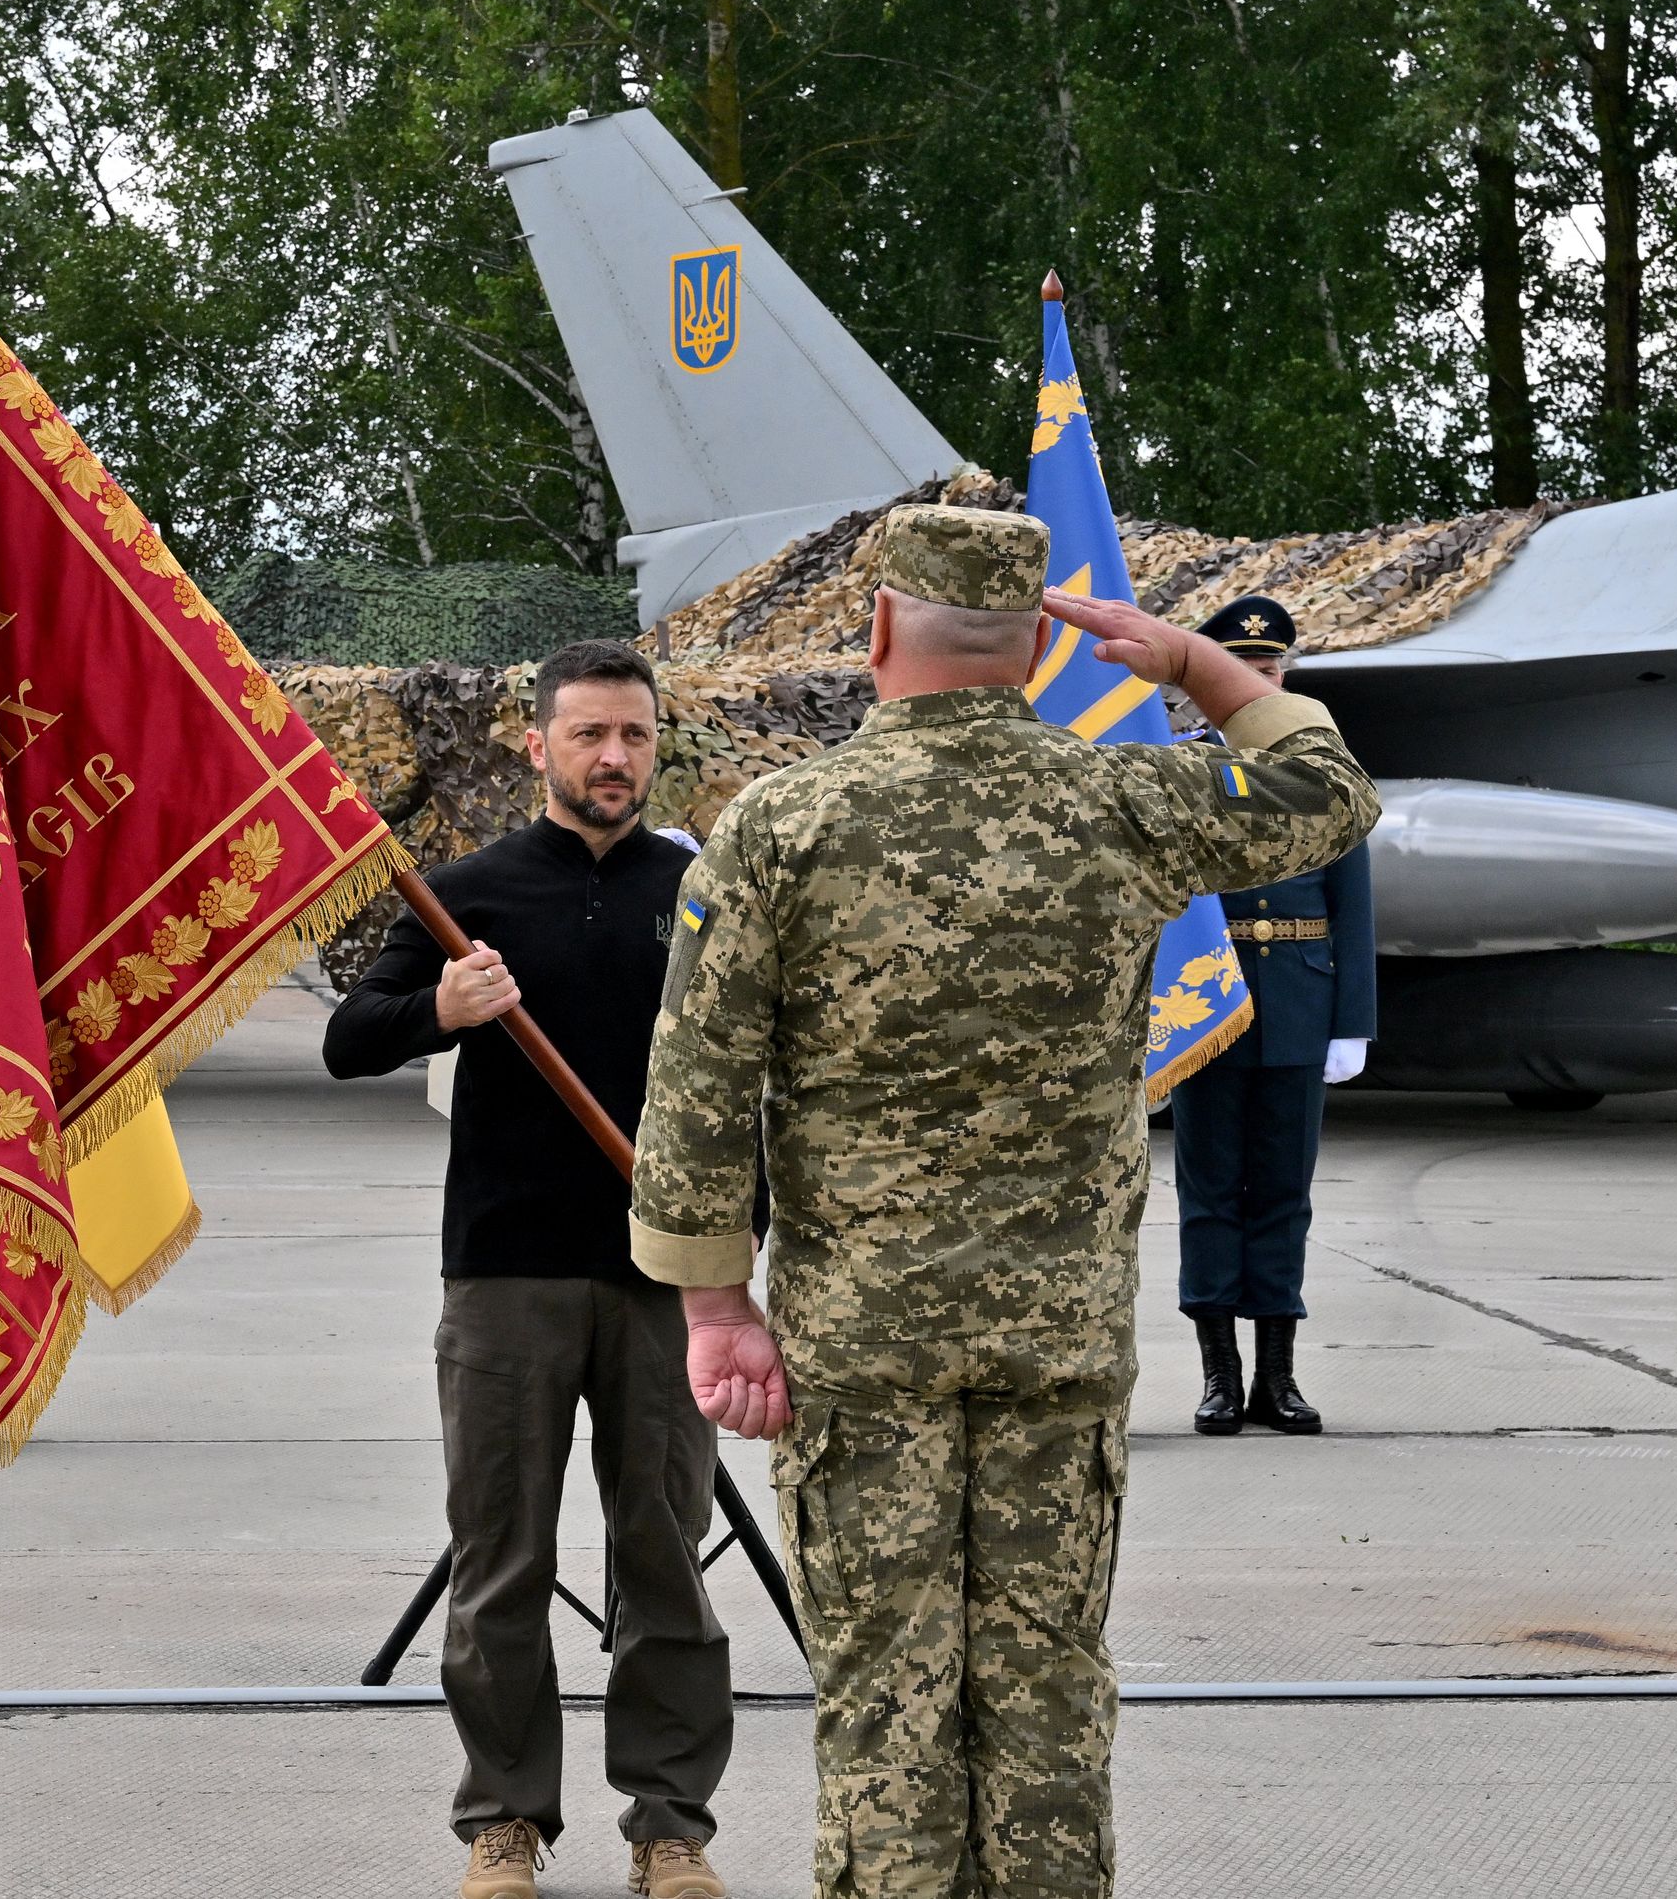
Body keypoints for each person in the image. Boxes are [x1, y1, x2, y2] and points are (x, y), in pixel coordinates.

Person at [627, 509, 1378, 1899]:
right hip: (1059, 1341)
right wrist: (1196, 666)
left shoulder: (781, 825)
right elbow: (1326, 793)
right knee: (1045, 1691)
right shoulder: (1117, 801)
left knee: (886, 1699)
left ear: (874, 633)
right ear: (1039, 644)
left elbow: (698, 1080)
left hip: (861, 1346)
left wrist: (718, 1301)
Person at [325, 638, 737, 1899]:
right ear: (537, 746)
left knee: (663, 1553)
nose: (614, 758)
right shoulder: (469, 894)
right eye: (589, 735)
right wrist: (436, 1009)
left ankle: (669, 1825)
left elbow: (765, 1079)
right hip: (506, 1274)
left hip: (666, 1275)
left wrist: (741, 1250)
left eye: (635, 736)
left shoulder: (709, 893)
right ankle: (504, 1821)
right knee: (498, 1556)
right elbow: (349, 1040)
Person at [1168, 595, 1376, 1437]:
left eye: (1272, 668)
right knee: (1209, 1190)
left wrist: (1351, 1019)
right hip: (1206, 1003)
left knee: (1284, 1193)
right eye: (1245, 669)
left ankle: (1277, 1379)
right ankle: (1220, 1375)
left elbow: (1352, 900)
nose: (1262, 681)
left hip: (1297, 995)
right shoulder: (1181, 769)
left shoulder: (1321, 764)